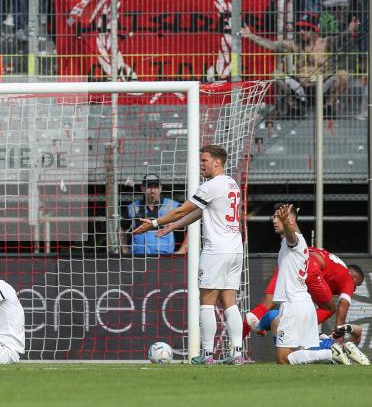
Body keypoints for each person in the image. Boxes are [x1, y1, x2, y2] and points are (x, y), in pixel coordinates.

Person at [133, 144, 245, 364]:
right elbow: (198, 212)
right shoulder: (231, 183)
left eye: (204, 160)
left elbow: (182, 209)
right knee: (229, 302)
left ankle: (206, 354)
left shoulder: (211, 185)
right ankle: (238, 353)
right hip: (234, 249)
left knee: (206, 302)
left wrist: (154, 222)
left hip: (216, 251)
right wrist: (172, 227)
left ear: (217, 162)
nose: (200, 165)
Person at [242, 12, 358, 118]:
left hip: (321, 87)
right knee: (276, 75)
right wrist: (251, 36)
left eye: (306, 28)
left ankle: (327, 107)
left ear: (315, 30)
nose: (301, 32)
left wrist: (349, 31)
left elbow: (341, 39)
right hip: (300, 88)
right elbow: (272, 45)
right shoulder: (294, 44)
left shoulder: (325, 43)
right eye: (299, 28)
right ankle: (294, 107)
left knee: (343, 74)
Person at [268, 204, 335, 365]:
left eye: (278, 217)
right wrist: (290, 221)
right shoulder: (294, 240)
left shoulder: (294, 241)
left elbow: (292, 237)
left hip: (294, 306)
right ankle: (327, 354)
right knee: (297, 355)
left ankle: (329, 353)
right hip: (303, 304)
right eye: (274, 217)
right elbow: (292, 234)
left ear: (289, 220)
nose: (274, 220)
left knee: (283, 359)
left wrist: (288, 223)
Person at [122, 174, 187, 256]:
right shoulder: (132, 208)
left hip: (165, 259)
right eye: (149, 187)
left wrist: (182, 250)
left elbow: (192, 226)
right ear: (142, 188)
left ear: (160, 188)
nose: (152, 190)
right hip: (137, 258)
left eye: (155, 187)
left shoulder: (173, 206)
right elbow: (121, 228)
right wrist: (125, 250)